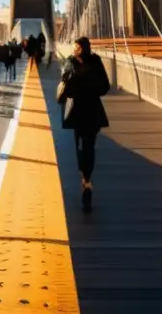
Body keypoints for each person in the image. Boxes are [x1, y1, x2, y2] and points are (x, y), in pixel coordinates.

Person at [56, 36, 110, 213]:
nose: (74, 50)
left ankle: (85, 178)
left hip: (84, 110)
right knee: (85, 146)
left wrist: (81, 86)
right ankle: (86, 178)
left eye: (77, 47)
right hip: (86, 110)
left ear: (83, 48)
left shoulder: (82, 61)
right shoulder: (82, 61)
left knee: (84, 145)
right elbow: (104, 86)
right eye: (74, 47)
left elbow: (104, 86)